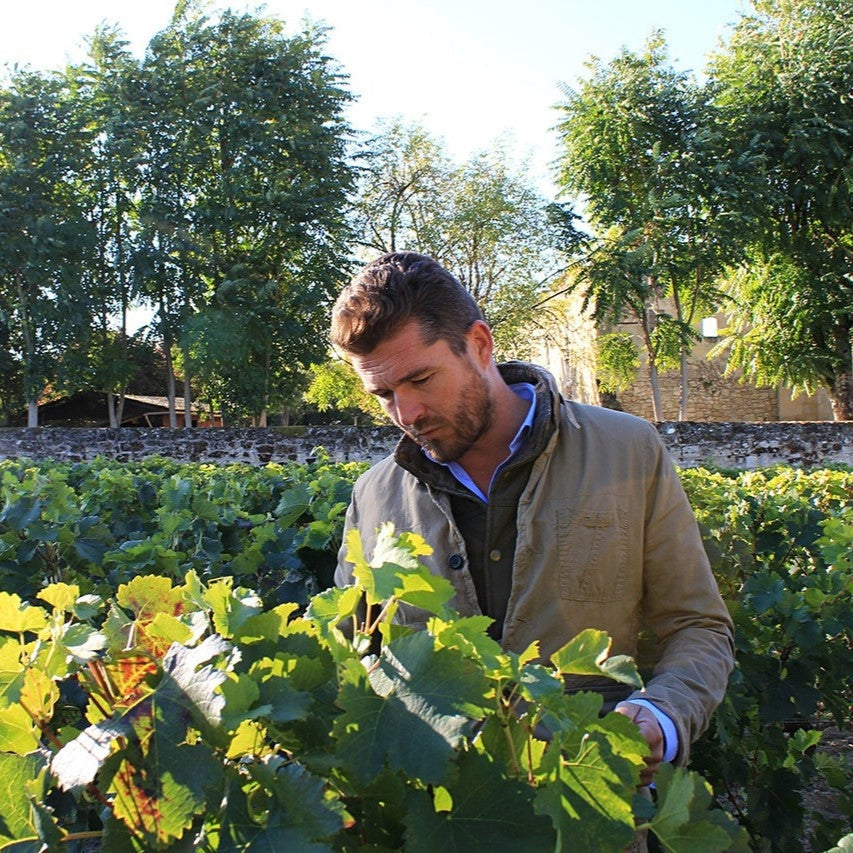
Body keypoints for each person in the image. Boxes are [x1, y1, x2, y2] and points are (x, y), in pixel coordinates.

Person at [331, 251, 734, 785]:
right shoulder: (373, 496)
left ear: (479, 345)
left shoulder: (630, 451)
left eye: (422, 379)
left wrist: (664, 713)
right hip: (444, 819)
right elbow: (349, 656)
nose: (407, 415)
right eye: (384, 395)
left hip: (593, 811)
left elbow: (698, 625)